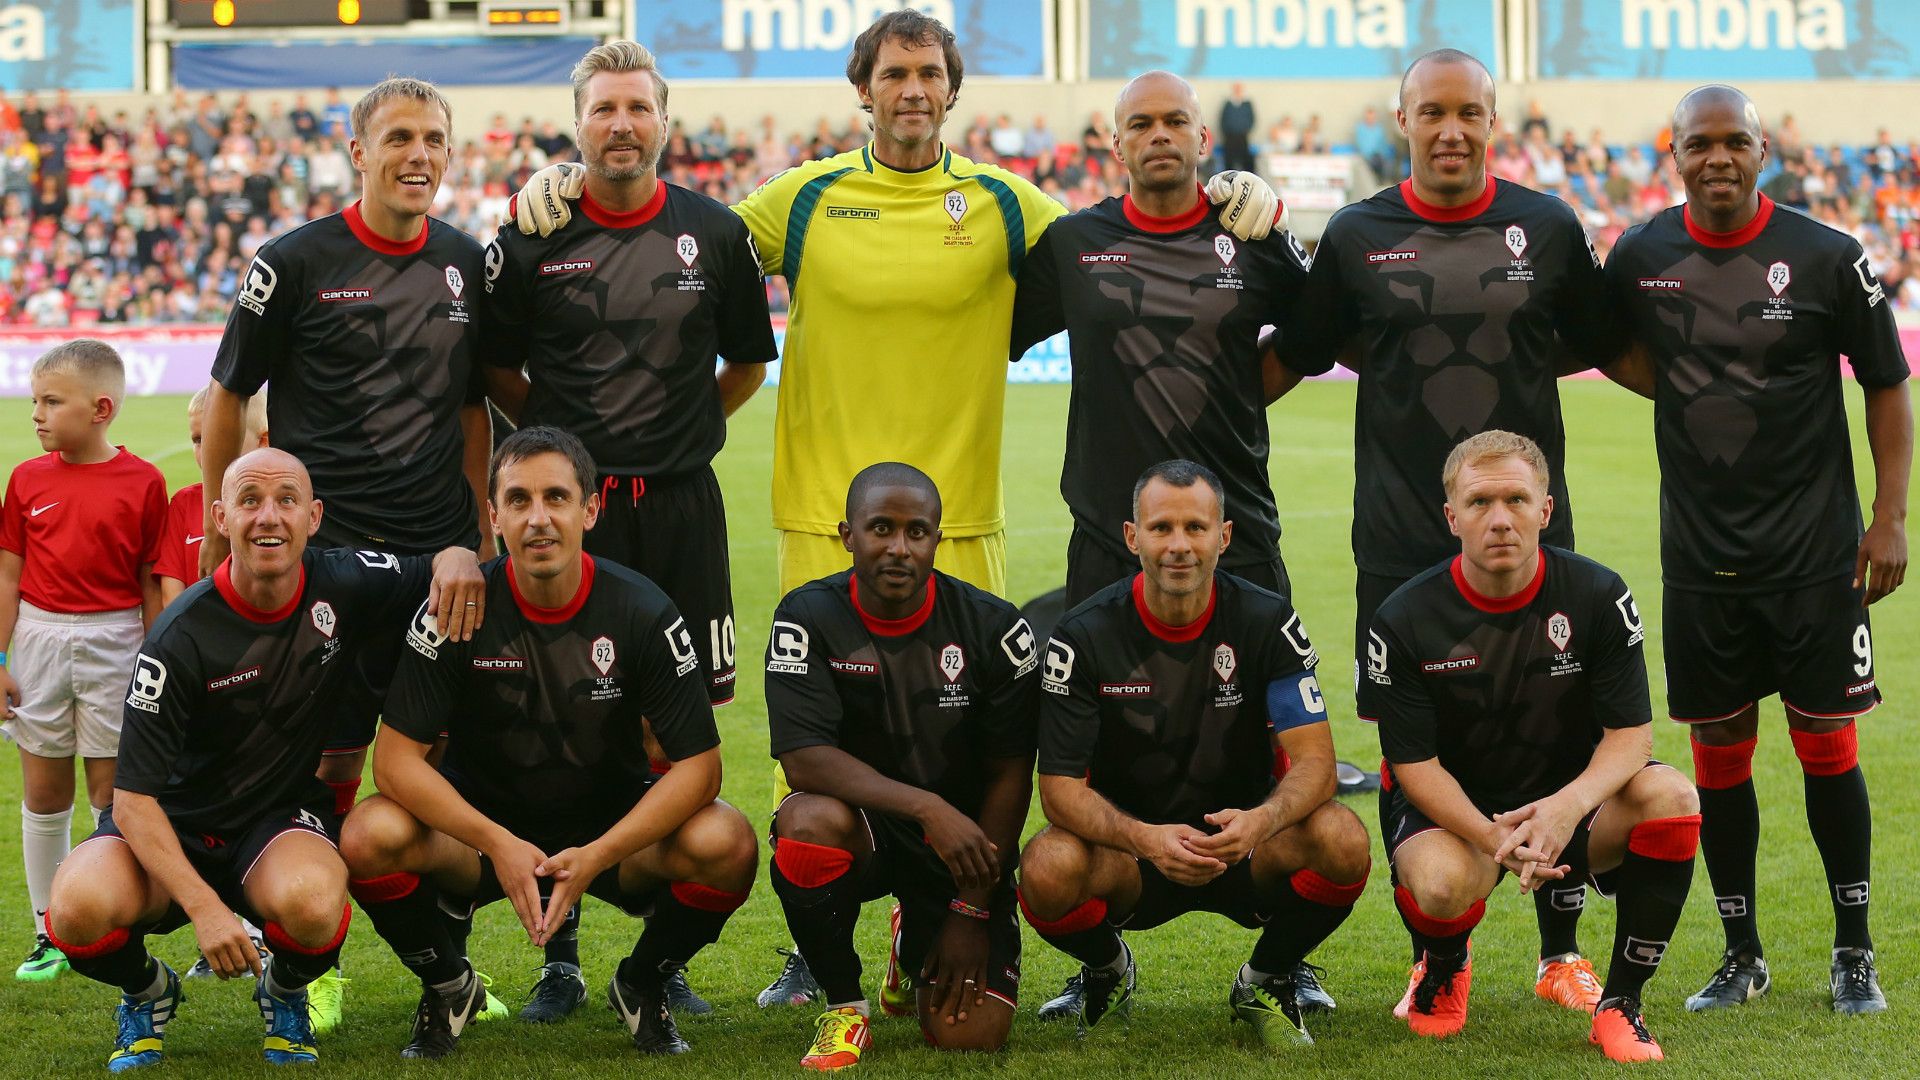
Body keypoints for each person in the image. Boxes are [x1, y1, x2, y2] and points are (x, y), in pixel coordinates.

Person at [508, 12, 1284, 601]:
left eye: (928, 73)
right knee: (815, 731)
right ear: (862, 92)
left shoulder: (1008, 204)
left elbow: (1133, 237)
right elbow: (671, 247)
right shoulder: (803, 197)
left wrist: (1233, 197)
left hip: (961, 515)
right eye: (893, 74)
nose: (912, 89)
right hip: (823, 514)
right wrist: (561, 191)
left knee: (969, 733)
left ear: (950, 90)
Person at [1274, 48, 1624, 1006]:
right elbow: (1307, 345)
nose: (1452, 129)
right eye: (1433, 112)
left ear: (1495, 118)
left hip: (1528, 540)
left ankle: (1560, 952)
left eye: (1471, 112)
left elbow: (1598, 338)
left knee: (1556, 724)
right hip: (1399, 539)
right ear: (1403, 120)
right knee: (1406, 743)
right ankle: (1441, 958)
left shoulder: (1548, 226)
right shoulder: (1354, 233)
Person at [481, 38, 776, 1022]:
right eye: (602, 109)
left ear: (663, 119)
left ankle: (658, 961)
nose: (620, 125)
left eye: (636, 109)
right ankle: (557, 955)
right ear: (578, 122)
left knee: (673, 729)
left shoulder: (716, 233)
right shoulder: (529, 235)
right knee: (552, 721)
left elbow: (744, 365)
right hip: (569, 520)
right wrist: (571, 463)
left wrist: (678, 440)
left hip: (684, 515)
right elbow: (496, 369)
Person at [1603, 84, 1911, 1015]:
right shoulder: (1643, 252)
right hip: (1701, 562)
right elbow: (1609, 346)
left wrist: (1888, 517)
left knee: (1827, 742)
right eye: (1700, 144)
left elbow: (1888, 386)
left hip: (1816, 558)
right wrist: (1689, 388)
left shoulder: (1826, 256)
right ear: (1675, 153)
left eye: (1736, 141)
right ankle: (1742, 952)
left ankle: (1853, 950)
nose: (1719, 157)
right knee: (1720, 751)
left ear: (1764, 147)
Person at [199, 77, 496, 1027]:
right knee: (325, 767)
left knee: (436, 766)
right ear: (358, 152)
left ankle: (443, 967)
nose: (420, 155)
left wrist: (477, 525)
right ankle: (314, 961)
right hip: (330, 562)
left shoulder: (463, 263)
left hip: (437, 557)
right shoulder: (291, 263)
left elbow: (469, 408)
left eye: (436, 140)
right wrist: (219, 510)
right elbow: (228, 398)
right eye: (400, 138)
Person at [42, 446, 484, 1070]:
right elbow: (135, 800)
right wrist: (205, 909)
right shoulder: (179, 638)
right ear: (221, 517)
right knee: (76, 908)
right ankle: (148, 991)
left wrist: (460, 554)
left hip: (272, 824)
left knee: (315, 902)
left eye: (285, 501)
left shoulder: (344, 580)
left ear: (314, 516)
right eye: (249, 501)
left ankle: (283, 991)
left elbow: (432, 567)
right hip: (170, 826)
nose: (267, 517)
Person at [342, 426, 755, 1060]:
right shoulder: (455, 611)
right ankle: (449, 984)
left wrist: (597, 854)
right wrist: (497, 843)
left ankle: (643, 984)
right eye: (519, 500)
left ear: (589, 509)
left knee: (726, 841)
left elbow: (700, 768)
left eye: (557, 498)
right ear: (493, 515)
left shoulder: (643, 610)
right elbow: (394, 763)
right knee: (369, 835)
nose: (539, 519)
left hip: (609, 836)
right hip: (479, 838)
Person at [1361, 430, 1698, 1063]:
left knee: (1671, 796)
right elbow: (1412, 764)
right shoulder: (1404, 616)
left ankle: (1622, 1004)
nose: (1499, 519)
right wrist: (1494, 837)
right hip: (1461, 815)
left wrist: (1564, 809)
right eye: (1480, 502)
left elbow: (1631, 740)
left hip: (1570, 803)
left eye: (1517, 499)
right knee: (1438, 884)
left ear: (1546, 511)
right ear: (1451, 517)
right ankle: (1443, 964)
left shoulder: (1599, 595)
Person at [1019, 460, 1370, 1050]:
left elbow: (1315, 763)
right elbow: (1059, 789)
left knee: (1343, 839)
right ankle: (1108, 973)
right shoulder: (1082, 635)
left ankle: (1267, 977)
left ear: (1224, 536)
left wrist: (1259, 820)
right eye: (1160, 528)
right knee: (1046, 868)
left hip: (1247, 846)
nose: (1178, 545)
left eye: (1195, 528)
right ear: (1133, 538)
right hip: (1131, 857)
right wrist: (1148, 839)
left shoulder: (1268, 621)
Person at [765, 462, 1038, 1068]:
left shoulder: (995, 628)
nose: (898, 547)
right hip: (867, 831)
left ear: (938, 539)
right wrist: (925, 806)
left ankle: (913, 935)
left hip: (962, 848)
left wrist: (972, 906)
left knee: (970, 1036)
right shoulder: (807, 617)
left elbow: (1011, 771)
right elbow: (803, 758)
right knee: (806, 825)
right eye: (880, 528)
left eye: (917, 532)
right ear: (847, 534)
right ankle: (844, 1007)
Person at [1010, 70, 1309, 611]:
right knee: (1107, 696)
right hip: (1109, 537)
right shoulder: (1073, 244)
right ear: (1118, 145)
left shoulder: (1251, 237)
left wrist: (1239, 390)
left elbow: (1317, 336)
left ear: (1203, 138)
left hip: (1235, 530)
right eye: (1141, 124)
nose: (1160, 135)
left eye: (1176, 121)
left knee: (1254, 695)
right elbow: (992, 330)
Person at [0, 340, 166, 983]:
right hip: (39, 641)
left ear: (100, 409)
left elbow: (153, 582)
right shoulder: (26, 478)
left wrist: (157, 658)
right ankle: (48, 930)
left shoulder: (144, 481)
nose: (36, 414)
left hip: (117, 640)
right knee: (44, 795)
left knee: (109, 794)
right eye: (35, 400)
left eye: (51, 401)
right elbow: (9, 574)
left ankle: (102, 921)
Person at [154, 386, 269, 607]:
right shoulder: (183, 504)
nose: (208, 449)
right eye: (198, 440)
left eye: (219, 437)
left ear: (263, 441)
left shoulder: (278, 510)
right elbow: (171, 594)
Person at [1218, 83, 1255, 173]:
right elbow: (1222, 119)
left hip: (1243, 138)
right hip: (1229, 138)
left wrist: (1245, 130)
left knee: (1245, 161)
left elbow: (1252, 119)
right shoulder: (1228, 104)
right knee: (1229, 162)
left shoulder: (1247, 104)